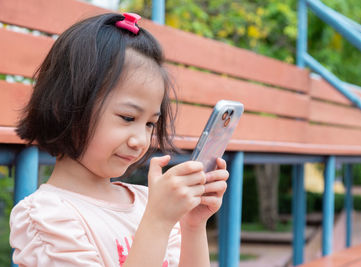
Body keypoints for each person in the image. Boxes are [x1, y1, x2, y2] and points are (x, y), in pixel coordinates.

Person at [9, 12, 229, 267]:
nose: (140, 140)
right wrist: (157, 221)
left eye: (149, 124)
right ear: (64, 106)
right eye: (127, 117)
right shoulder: (46, 216)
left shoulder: (148, 202)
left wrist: (192, 224)